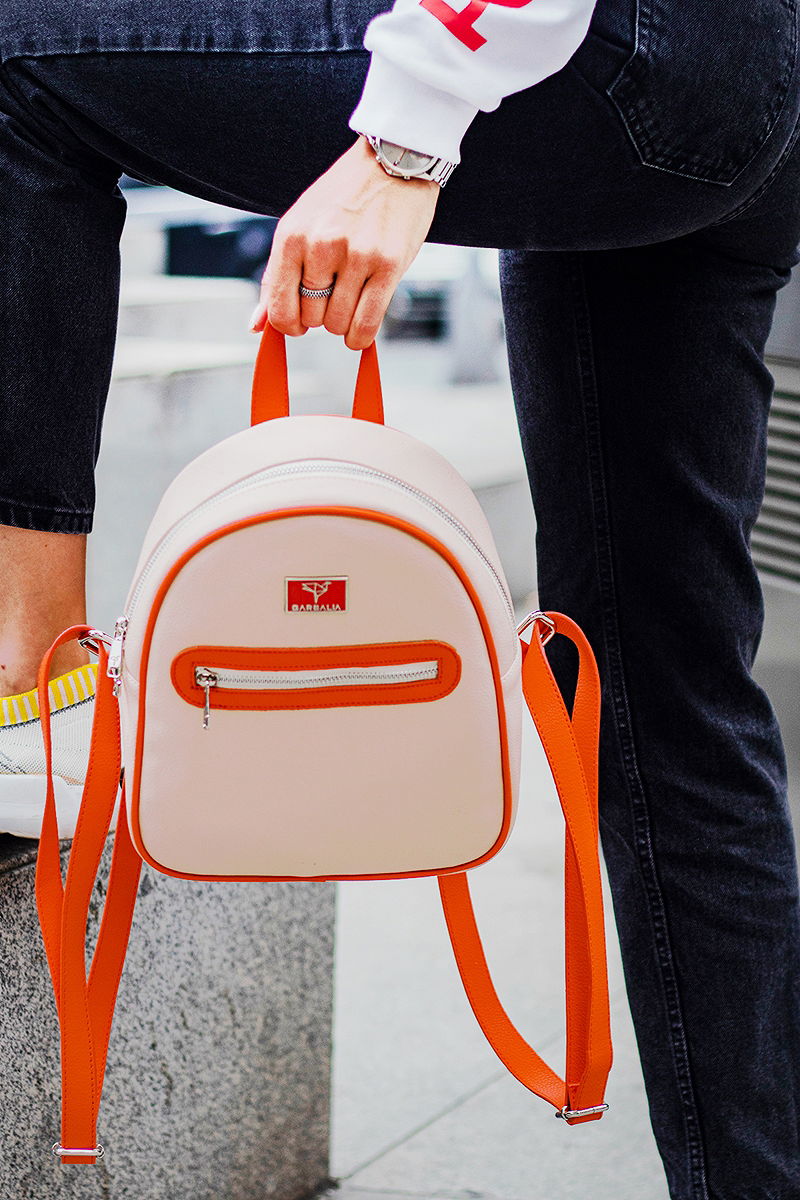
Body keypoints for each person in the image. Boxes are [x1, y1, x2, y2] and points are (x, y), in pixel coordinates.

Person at [1, 0, 799, 1194]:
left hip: (610, 56)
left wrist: (402, 138)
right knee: (666, 697)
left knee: (22, 64)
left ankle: (33, 681)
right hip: (742, 92)